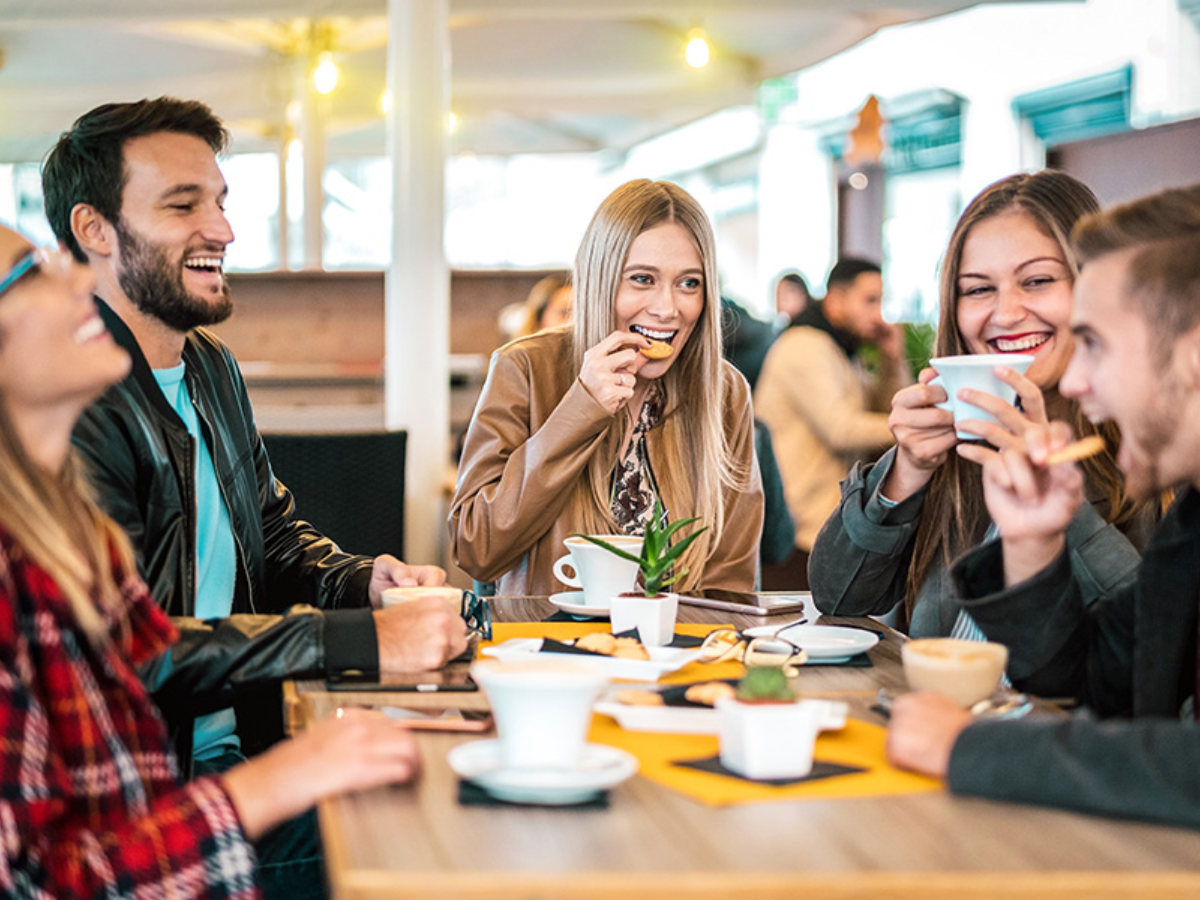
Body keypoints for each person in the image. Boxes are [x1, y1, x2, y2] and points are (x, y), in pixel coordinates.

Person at [41, 97, 467, 898]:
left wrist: (361, 580)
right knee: (441, 831)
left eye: (221, 202)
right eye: (183, 204)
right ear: (94, 230)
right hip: (154, 802)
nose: (224, 231)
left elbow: (269, 533)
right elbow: (136, 651)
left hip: (242, 754)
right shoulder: (72, 402)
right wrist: (361, 640)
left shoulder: (210, 367)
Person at [886, 183, 1200, 830]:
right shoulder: (1192, 522)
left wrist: (968, 747)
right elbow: (1093, 689)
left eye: (1098, 345)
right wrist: (1033, 548)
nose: (1077, 381)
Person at [809, 172, 1153, 636]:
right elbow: (839, 597)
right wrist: (904, 472)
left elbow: (1154, 651)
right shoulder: (954, 451)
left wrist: (1060, 505)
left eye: (1037, 280)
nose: (1006, 314)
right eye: (977, 289)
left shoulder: (1155, 452)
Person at [450, 179, 763, 595]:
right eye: (642, 279)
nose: (668, 309)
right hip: (550, 648)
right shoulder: (525, 367)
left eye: (689, 283)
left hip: (679, 652)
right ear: (600, 280)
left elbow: (731, 582)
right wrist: (581, 408)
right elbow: (477, 549)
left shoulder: (724, 392)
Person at [754, 257, 908, 590]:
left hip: (824, 529)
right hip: (797, 536)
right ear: (836, 300)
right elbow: (842, 429)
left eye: (881, 301)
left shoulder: (839, 350)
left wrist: (892, 360)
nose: (879, 314)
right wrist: (916, 427)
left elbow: (886, 407)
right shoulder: (804, 346)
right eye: (870, 300)